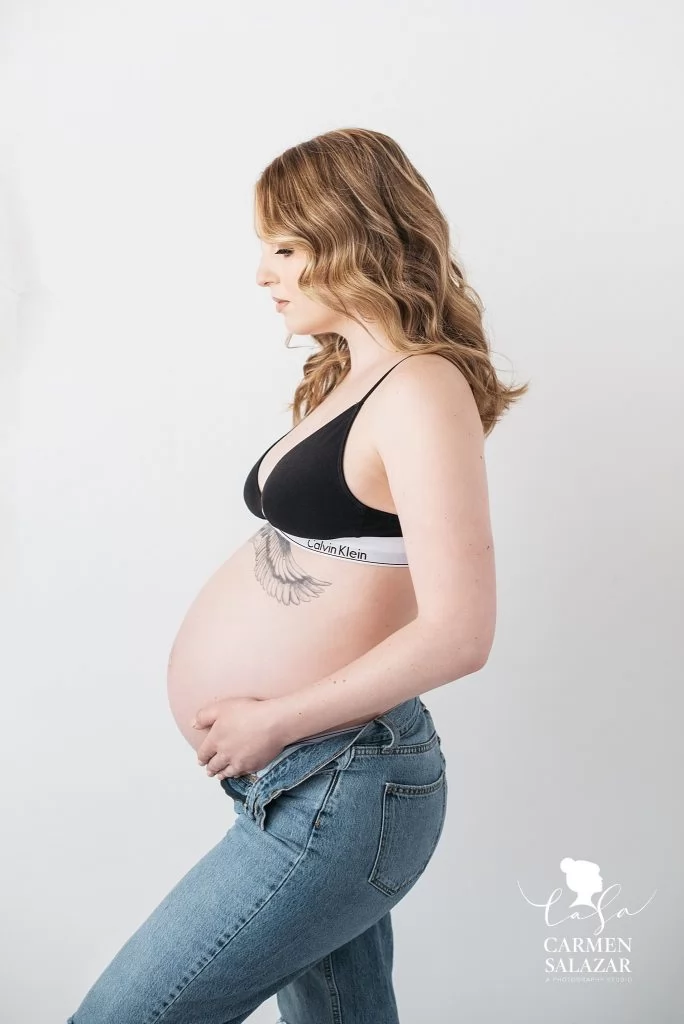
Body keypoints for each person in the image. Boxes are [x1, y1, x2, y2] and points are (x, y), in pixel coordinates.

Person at [67, 127, 528, 1024]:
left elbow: (460, 632)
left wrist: (272, 717)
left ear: (351, 236)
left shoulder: (422, 389)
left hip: (340, 785)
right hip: (306, 780)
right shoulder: (353, 378)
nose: (263, 274)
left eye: (285, 247)